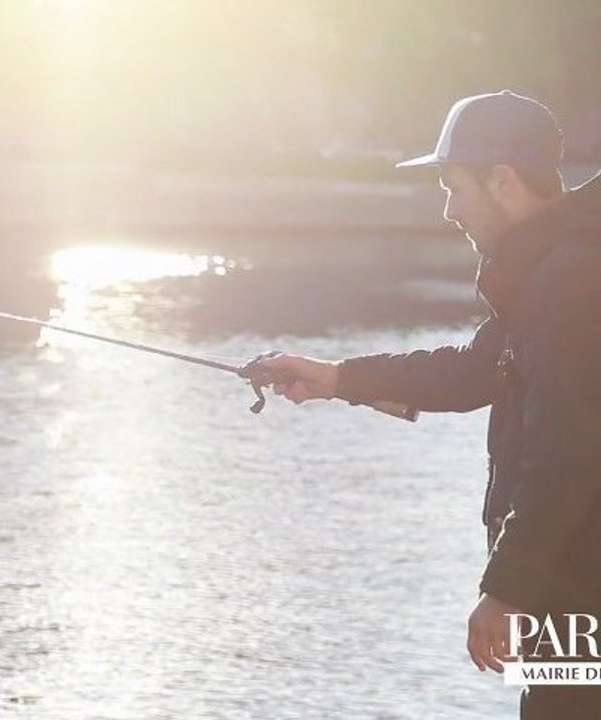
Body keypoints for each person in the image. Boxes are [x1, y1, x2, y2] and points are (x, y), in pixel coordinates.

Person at [242, 90, 601, 719]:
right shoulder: (555, 270)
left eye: (453, 187)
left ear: (502, 180)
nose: (448, 210)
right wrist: (334, 377)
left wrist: (505, 587)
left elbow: (566, 456)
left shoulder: (567, 281)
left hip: (581, 586)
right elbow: (473, 370)